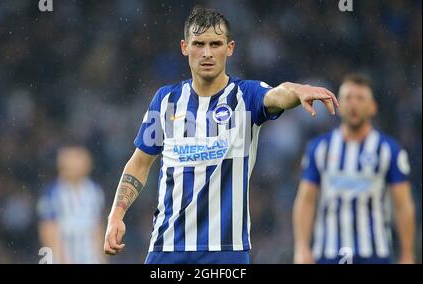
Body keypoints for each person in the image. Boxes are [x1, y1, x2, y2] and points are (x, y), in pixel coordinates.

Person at [104, 6, 339, 264]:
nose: (207, 53)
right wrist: (117, 213)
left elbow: (278, 94)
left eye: (216, 43)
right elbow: (139, 163)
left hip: (227, 252)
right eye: (199, 43)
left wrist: (298, 90)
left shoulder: (246, 96)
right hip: (167, 247)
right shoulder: (166, 100)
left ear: (230, 48)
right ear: (185, 47)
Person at [293, 73, 415, 264]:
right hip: (328, 253)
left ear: (373, 107)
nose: (353, 104)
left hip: (375, 253)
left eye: (360, 98)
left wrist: (407, 253)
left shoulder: (389, 150)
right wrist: (301, 247)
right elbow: (306, 200)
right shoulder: (319, 148)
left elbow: (403, 205)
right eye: (348, 98)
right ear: (339, 105)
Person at [37, 146, 105, 264]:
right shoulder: (52, 192)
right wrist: (60, 258)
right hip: (63, 255)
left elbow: (98, 226)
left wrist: (102, 256)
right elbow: (48, 228)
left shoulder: (94, 191)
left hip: (90, 256)